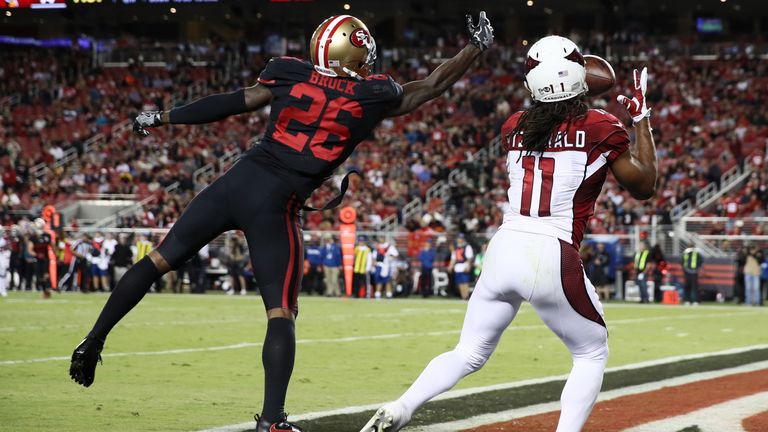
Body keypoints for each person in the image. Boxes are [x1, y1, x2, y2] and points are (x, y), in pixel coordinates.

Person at [69, 12, 494, 432]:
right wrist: (475, 47)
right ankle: (271, 421)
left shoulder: (288, 73)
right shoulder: (373, 93)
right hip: (277, 203)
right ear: (353, 53)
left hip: (235, 182)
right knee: (280, 313)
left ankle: (94, 339)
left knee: (159, 259)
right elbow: (433, 85)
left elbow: (233, 103)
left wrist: (164, 117)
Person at [361, 35, 657, 432]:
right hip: (551, 251)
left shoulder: (514, 125)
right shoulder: (602, 125)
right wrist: (640, 120)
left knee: (467, 352)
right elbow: (644, 185)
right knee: (590, 353)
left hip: (504, 248)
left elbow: (555, 122)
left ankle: (402, 406)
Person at [449, 235, 474, 299]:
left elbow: (469, 258)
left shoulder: (467, 247)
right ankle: (463, 296)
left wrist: (468, 266)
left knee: (465, 282)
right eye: (458, 238)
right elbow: (453, 258)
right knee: (459, 282)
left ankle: (467, 296)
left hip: (464, 265)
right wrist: (450, 266)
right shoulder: (456, 247)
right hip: (458, 267)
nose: (459, 240)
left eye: (460, 238)